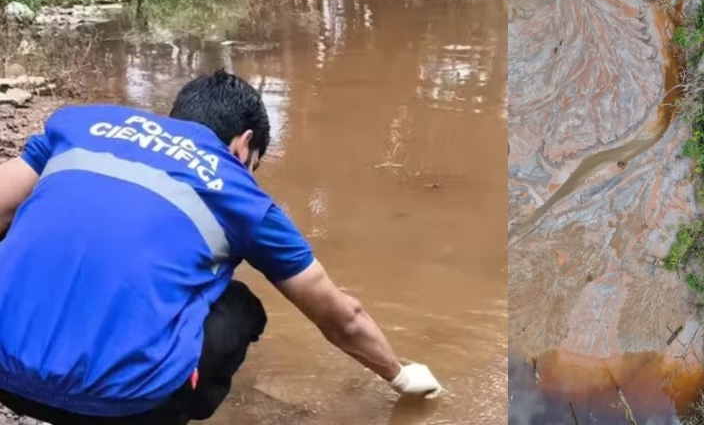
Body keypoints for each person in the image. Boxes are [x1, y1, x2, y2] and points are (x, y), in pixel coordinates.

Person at [0, 70, 442, 425]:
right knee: (241, 307)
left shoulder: (80, 125)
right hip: (126, 405)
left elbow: (3, 208)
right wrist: (401, 376)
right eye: (254, 164)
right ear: (244, 143)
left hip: (4, 372)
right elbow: (340, 317)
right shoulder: (240, 192)